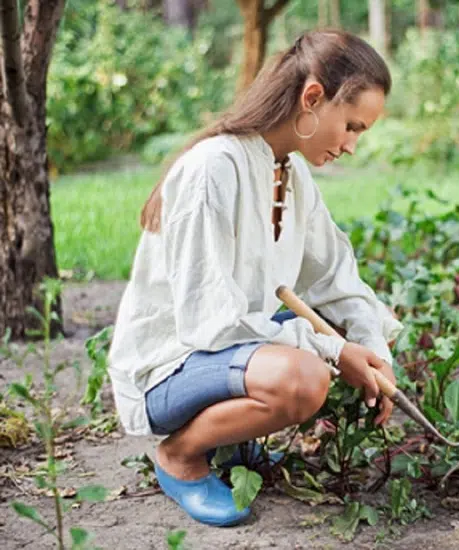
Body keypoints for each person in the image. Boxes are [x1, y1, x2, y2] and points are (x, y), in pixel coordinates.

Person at [107, 30, 403, 527]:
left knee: (335, 328)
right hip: (171, 367)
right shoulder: (212, 169)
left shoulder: (291, 172)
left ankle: (232, 449)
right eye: (351, 126)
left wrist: (376, 352)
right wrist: (331, 351)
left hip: (225, 355)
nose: (351, 146)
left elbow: (336, 276)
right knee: (305, 378)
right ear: (312, 98)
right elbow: (209, 325)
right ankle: (180, 456)